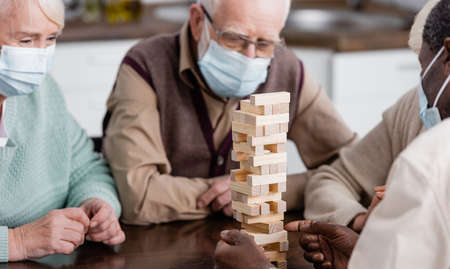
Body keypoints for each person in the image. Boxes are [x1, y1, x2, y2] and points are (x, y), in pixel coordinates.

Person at [103, 0, 356, 225]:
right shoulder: (146, 66)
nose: (249, 57)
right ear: (198, 21)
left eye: (265, 44)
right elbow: (139, 196)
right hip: (154, 258)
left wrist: (272, 190)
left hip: (254, 252)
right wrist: (237, 191)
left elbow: (354, 171)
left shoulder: (289, 70)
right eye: (234, 39)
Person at [214, 118, 450, 269]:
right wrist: (364, 251)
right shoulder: (418, 120)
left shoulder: (431, 159)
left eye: (427, 53)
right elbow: (332, 175)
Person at [303, 0, 450, 233]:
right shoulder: (412, 110)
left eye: (423, 66)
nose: (422, 82)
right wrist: (359, 222)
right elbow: (332, 179)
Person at [0, 0, 125, 263]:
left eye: (50, 39)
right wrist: (17, 241)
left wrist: (95, 202)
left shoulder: (43, 92)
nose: (40, 56)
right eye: (26, 41)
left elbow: (86, 168)